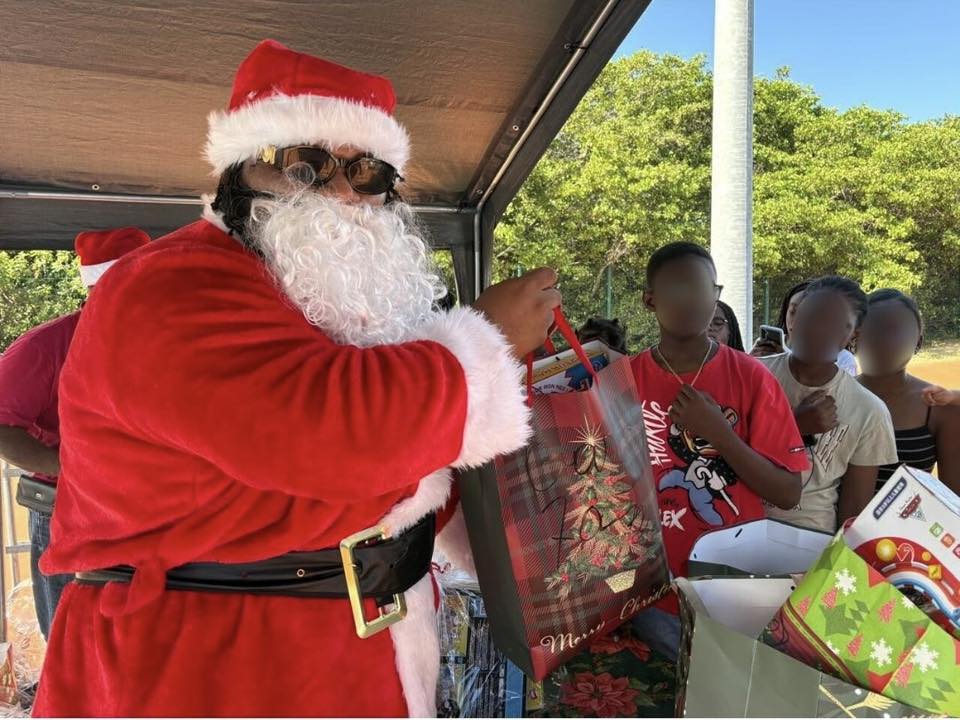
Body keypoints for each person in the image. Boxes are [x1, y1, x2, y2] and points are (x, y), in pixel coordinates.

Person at [35, 40, 560, 718]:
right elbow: (329, 436)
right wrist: (484, 338)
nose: (341, 191)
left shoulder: (314, 300)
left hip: (344, 652)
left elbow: (397, 467)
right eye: (305, 165)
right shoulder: (171, 285)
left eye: (366, 172)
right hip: (207, 665)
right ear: (240, 172)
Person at [630, 242, 806, 659]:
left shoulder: (752, 378)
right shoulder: (624, 379)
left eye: (702, 288)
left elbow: (787, 492)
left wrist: (720, 435)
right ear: (650, 300)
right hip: (651, 591)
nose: (691, 299)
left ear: (716, 295)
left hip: (734, 586)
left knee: (730, 685)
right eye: (677, 288)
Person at [0, 227, 149, 640]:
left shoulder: (162, 343)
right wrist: (73, 469)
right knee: (71, 637)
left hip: (144, 513)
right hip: (67, 513)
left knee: (135, 639)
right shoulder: (46, 346)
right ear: (97, 289)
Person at [757, 276, 898, 532]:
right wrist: (794, 426)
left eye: (835, 323)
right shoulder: (753, 375)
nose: (817, 329)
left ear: (854, 334)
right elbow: (722, 452)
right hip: (740, 526)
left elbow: (853, 510)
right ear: (793, 318)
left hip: (813, 539)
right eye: (809, 315)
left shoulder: (869, 411)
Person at [856, 289, 959, 493]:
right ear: (853, 336)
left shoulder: (938, 406)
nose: (883, 339)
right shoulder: (834, 395)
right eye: (872, 327)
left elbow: (953, 498)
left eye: (895, 330)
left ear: (918, 341)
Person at [753, 279, 859, 375]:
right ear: (786, 311)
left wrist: (785, 362)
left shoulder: (844, 359)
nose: (798, 321)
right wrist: (750, 361)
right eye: (793, 312)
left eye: (809, 313)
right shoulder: (767, 345)